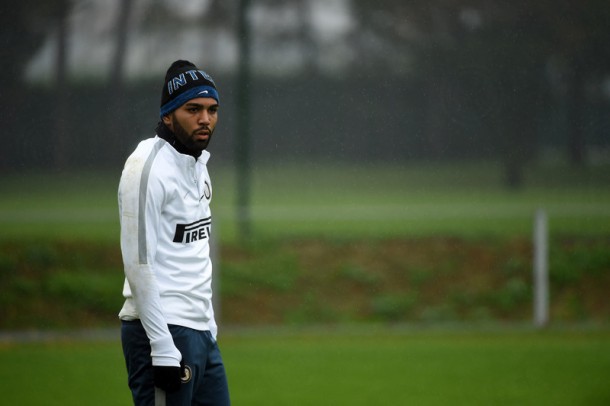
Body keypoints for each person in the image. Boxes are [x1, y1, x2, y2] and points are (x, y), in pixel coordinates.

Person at [118, 59, 230, 406]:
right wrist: (162, 346)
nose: (205, 119)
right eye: (193, 109)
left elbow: (194, 253)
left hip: (201, 333)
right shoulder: (147, 166)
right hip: (162, 334)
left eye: (212, 110)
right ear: (168, 115)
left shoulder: (198, 165)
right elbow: (138, 263)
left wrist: (209, 326)